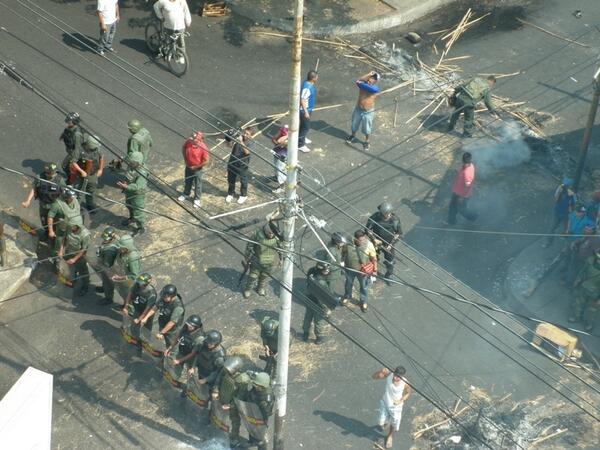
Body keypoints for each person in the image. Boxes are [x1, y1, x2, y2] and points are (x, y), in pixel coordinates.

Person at [211, 356, 249, 448]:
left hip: (232, 404)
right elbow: (218, 380)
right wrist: (215, 390)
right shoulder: (226, 370)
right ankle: (218, 430)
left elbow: (240, 396)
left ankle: (234, 438)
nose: (227, 370)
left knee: (235, 422)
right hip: (222, 397)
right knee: (219, 415)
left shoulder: (243, 380)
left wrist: (231, 406)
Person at [372, 366, 411, 449]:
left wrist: (401, 400)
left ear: (402, 376)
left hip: (396, 407)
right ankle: (386, 421)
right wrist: (380, 371)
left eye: (398, 377)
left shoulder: (405, 383)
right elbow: (374, 377)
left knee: (394, 423)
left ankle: (390, 436)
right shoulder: (389, 374)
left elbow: (408, 393)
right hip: (385, 402)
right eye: (395, 375)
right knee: (380, 423)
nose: (395, 377)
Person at [366, 202, 403, 283]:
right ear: (382, 213)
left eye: (390, 213)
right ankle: (371, 272)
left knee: (391, 262)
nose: (389, 215)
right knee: (372, 258)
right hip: (376, 243)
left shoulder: (395, 220)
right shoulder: (375, 217)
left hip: (388, 244)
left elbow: (399, 233)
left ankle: (389, 275)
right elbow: (367, 230)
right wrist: (373, 239)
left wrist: (391, 244)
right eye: (387, 213)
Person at [21, 162, 65, 229]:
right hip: (43, 205)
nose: (46, 174)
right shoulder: (40, 177)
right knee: (44, 222)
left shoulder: (60, 180)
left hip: (55, 205)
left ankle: (54, 234)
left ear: (54, 172)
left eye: (49, 173)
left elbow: (64, 192)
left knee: (55, 222)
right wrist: (28, 201)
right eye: (46, 172)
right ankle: (47, 232)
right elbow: (34, 188)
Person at [342, 229, 377, 312]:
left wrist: (375, 270)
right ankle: (347, 296)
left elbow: (373, 258)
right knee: (348, 284)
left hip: (362, 271)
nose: (362, 241)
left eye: (363, 239)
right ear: (355, 238)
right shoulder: (347, 244)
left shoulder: (369, 245)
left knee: (363, 287)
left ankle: (363, 301)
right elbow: (343, 253)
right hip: (350, 269)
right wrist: (342, 263)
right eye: (360, 240)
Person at [303, 261, 337, 344]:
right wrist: (326, 309)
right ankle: (319, 337)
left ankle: (305, 334)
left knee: (308, 317)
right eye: (325, 270)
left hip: (309, 299)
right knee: (319, 320)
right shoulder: (321, 282)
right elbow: (322, 297)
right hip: (319, 303)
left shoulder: (312, 273)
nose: (327, 271)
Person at [243, 223, 280, 298]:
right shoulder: (257, 235)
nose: (271, 235)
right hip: (257, 261)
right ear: (266, 231)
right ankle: (248, 289)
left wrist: (281, 259)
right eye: (269, 233)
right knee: (252, 277)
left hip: (270, 262)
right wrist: (247, 257)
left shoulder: (277, 238)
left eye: (273, 233)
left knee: (264, 277)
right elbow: (249, 247)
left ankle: (260, 288)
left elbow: (281, 249)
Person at [346, 71, 381, 151]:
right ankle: (352, 135)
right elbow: (358, 81)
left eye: (373, 78)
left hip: (368, 111)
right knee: (354, 124)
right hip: (358, 109)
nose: (370, 79)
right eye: (371, 77)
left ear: (375, 81)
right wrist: (369, 74)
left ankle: (367, 141)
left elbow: (375, 94)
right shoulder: (362, 85)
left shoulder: (374, 89)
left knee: (367, 128)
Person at [117, 151, 147, 235]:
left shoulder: (142, 172)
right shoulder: (132, 162)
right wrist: (121, 160)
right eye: (130, 162)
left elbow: (138, 186)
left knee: (138, 211)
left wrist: (126, 186)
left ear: (138, 163)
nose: (130, 164)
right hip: (129, 191)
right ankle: (132, 218)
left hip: (137, 194)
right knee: (129, 205)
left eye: (132, 163)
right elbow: (127, 158)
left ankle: (141, 227)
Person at [570, 250, 600, 331]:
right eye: (598, 257)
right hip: (584, 287)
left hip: (596, 294)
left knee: (592, 311)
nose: (598, 260)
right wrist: (578, 280)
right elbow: (583, 271)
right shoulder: (590, 260)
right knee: (578, 303)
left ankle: (589, 324)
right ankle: (577, 317)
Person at [58, 221, 91, 297]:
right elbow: (64, 239)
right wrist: (61, 250)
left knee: (83, 272)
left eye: (73, 226)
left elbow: (83, 249)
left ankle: (85, 287)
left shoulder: (85, 235)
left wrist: (74, 259)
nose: (71, 227)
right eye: (70, 226)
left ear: (77, 225)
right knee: (69, 269)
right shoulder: (69, 227)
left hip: (79, 256)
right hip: (68, 252)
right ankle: (72, 279)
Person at [47, 189, 83, 256]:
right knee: (59, 241)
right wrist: (50, 230)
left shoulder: (75, 201)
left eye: (73, 197)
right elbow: (50, 216)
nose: (73, 198)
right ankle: (57, 254)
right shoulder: (57, 204)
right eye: (71, 197)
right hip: (62, 227)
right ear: (66, 197)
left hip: (74, 227)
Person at [178, 131, 209, 208]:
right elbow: (183, 148)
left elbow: (206, 161)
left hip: (197, 169)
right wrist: (185, 159)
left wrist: (196, 167)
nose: (190, 138)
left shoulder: (203, 148)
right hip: (188, 166)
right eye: (191, 137)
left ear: (199, 140)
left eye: (193, 138)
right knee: (187, 181)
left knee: (197, 184)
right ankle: (186, 194)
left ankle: (197, 199)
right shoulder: (188, 142)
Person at [543, 177, 577, 248]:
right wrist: (559, 192)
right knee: (552, 227)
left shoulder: (572, 194)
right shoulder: (560, 188)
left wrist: (571, 211)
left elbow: (574, 204)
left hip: (566, 214)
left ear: (569, 186)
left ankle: (564, 246)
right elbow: (556, 200)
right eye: (563, 185)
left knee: (566, 229)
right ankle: (548, 242)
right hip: (557, 212)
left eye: (566, 185)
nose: (564, 187)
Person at [245, 372, 275, 450]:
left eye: (257, 386)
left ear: (263, 386)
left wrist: (262, 421)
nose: (255, 387)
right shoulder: (256, 388)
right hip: (252, 411)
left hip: (260, 417)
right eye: (255, 385)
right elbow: (250, 394)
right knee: (251, 428)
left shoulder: (267, 396)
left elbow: (266, 411)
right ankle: (252, 441)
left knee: (260, 436)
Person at [446, 152, 477, 226]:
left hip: (461, 194)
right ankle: (451, 221)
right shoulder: (470, 166)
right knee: (453, 207)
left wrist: (462, 197)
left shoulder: (467, 172)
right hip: (457, 192)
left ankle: (473, 217)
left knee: (461, 210)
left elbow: (467, 185)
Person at [76, 134, 104, 213]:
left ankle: (90, 204)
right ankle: (76, 207)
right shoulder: (80, 150)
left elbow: (101, 157)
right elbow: (73, 163)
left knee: (91, 190)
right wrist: (81, 172)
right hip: (81, 175)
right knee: (79, 191)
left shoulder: (97, 148)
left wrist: (100, 169)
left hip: (92, 174)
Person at [226, 128, 253, 204]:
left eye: (247, 134)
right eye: (244, 133)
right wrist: (229, 139)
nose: (244, 134)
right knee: (231, 179)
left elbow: (247, 152)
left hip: (242, 165)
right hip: (232, 162)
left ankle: (243, 195)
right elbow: (229, 146)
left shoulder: (250, 142)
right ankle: (231, 193)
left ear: (251, 136)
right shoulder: (238, 138)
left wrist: (241, 141)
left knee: (243, 181)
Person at [94, 226, 119, 305]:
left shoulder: (110, 250)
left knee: (108, 282)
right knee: (105, 281)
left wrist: (102, 266)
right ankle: (104, 288)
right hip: (105, 261)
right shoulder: (114, 239)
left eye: (106, 238)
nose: (104, 240)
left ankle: (108, 298)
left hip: (108, 267)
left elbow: (107, 263)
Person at [59, 112, 85, 184]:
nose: (67, 122)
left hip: (74, 152)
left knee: (64, 166)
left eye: (69, 121)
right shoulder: (70, 127)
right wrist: (62, 136)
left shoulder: (77, 134)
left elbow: (77, 148)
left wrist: (74, 159)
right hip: (70, 150)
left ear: (74, 122)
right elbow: (66, 131)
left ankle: (71, 180)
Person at [298, 70, 318, 153]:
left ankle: (302, 137)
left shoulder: (307, 82)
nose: (317, 78)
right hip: (304, 110)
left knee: (303, 126)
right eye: (316, 77)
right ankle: (300, 145)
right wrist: (306, 112)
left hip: (308, 109)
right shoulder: (308, 88)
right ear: (313, 78)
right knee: (305, 127)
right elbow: (302, 100)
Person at [270, 125, 288, 194]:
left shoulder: (293, 137)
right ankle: (276, 177)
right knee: (276, 168)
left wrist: (286, 136)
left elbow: (279, 141)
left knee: (281, 172)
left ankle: (282, 187)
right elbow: (274, 139)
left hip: (283, 156)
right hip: (277, 153)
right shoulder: (285, 129)